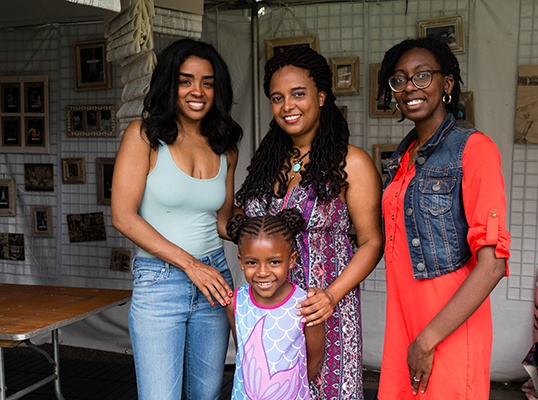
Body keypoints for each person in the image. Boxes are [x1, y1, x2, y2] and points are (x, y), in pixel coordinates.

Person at [235, 46, 383, 399]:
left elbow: (372, 242)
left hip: (324, 308)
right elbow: (244, 221)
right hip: (271, 309)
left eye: (298, 94)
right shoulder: (267, 162)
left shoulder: (352, 163)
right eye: (277, 97)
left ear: (321, 95)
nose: (288, 106)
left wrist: (331, 296)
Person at [376, 37, 510, 399]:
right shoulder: (402, 156)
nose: (409, 88)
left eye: (422, 76)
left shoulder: (475, 149)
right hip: (403, 319)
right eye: (399, 79)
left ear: (446, 84)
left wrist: (428, 339)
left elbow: (492, 265)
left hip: (447, 327)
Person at [111, 38, 243, 400]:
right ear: (170, 84)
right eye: (186, 80)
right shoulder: (144, 137)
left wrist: (262, 232)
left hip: (214, 276)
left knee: (207, 394)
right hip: (160, 280)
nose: (197, 91)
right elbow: (123, 217)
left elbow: (222, 220)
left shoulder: (224, 144)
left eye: (208, 82)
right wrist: (189, 265)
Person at [225, 209, 325, 400]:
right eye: (252, 262)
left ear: (291, 260)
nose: (263, 272)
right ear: (241, 262)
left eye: (274, 262)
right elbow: (243, 354)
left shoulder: (307, 305)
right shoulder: (235, 302)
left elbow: (315, 360)